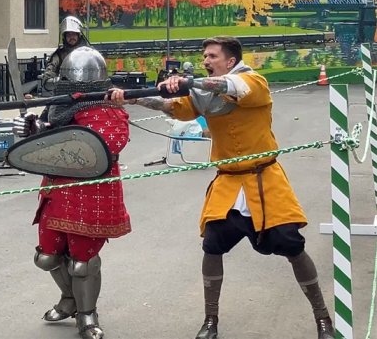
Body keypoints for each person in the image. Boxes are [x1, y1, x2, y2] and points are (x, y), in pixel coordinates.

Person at [109, 36, 334, 339]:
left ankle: (323, 319)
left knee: (292, 244)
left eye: (212, 56)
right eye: (204, 56)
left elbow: (231, 88)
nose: (206, 60)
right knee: (212, 244)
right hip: (228, 182)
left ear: (230, 61)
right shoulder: (204, 93)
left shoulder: (253, 81)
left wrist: (189, 82)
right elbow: (174, 108)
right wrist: (132, 97)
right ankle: (210, 320)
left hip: (264, 180)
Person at [13, 46, 131, 339]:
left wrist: (50, 133)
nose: (76, 86)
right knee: (48, 257)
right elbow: (44, 142)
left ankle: (87, 314)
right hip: (57, 187)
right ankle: (69, 300)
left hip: (92, 189)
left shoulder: (110, 111)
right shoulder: (57, 105)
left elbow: (106, 147)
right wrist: (31, 130)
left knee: (82, 261)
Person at [41, 16, 90, 82]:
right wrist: (53, 78)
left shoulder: (88, 53)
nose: (71, 37)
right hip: (65, 89)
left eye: (74, 34)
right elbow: (50, 71)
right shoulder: (58, 55)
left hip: (87, 87)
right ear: (65, 37)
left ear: (79, 35)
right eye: (68, 35)